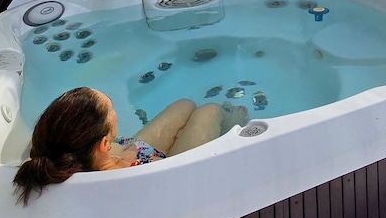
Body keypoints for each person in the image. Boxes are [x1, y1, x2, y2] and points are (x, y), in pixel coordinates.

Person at [13, 87, 229, 205]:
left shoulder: (60, 151)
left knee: (185, 104)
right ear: (104, 143)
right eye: (111, 111)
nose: (115, 114)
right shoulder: (124, 184)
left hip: (124, 154)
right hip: (162, 166)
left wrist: (120, 158)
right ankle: (232, 116)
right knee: (209, 110)